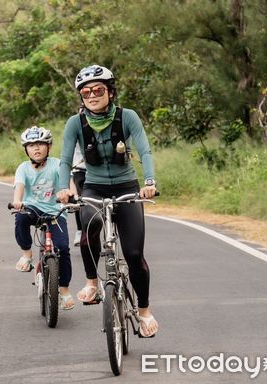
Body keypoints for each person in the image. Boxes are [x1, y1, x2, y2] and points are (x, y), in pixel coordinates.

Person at [56, 65, 159, 337]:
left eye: (98, 90)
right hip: (94, 188)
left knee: (135, 254)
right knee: (88, 230)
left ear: (110, 92)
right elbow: (65, 160)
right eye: (86, 92)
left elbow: (145, 150)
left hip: (127, 187)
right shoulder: (74, 124)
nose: (92, 95)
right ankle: (92, 283)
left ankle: (145, 311)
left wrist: (149, 182)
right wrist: (62, 189)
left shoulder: (128, 117)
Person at [12, 126, 75, 310]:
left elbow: (68, 183)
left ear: (49, 146)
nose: (36, 148)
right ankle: (27, 255)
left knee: (63, 248)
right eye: (31, 145)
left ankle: (64, 290)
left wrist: (72, 195)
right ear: (26, 149)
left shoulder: (57, 164)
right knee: (21, 217)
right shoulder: (23, 168)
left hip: (55, 212)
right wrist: (17, 201)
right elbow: (20, 187)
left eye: (40, 144)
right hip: (32, 209)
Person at [71, 144, 86, 247]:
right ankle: (80, 230)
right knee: (78, 199)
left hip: (103, 170)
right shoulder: (76, 127)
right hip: (80, 169)